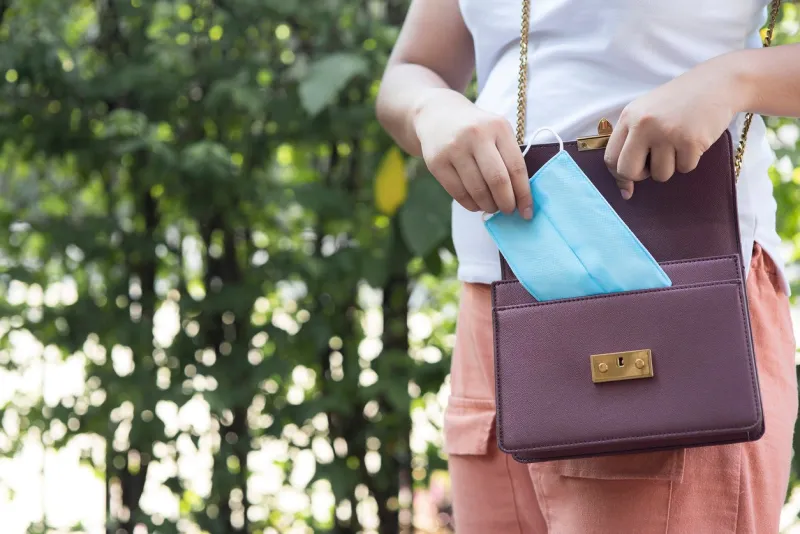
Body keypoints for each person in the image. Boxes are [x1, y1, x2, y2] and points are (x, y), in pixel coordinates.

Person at [376, 0, 800, 532]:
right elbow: (411, 70)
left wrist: (733, 79)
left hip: (672, 295)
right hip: (493, 305)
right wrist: (430, 109)